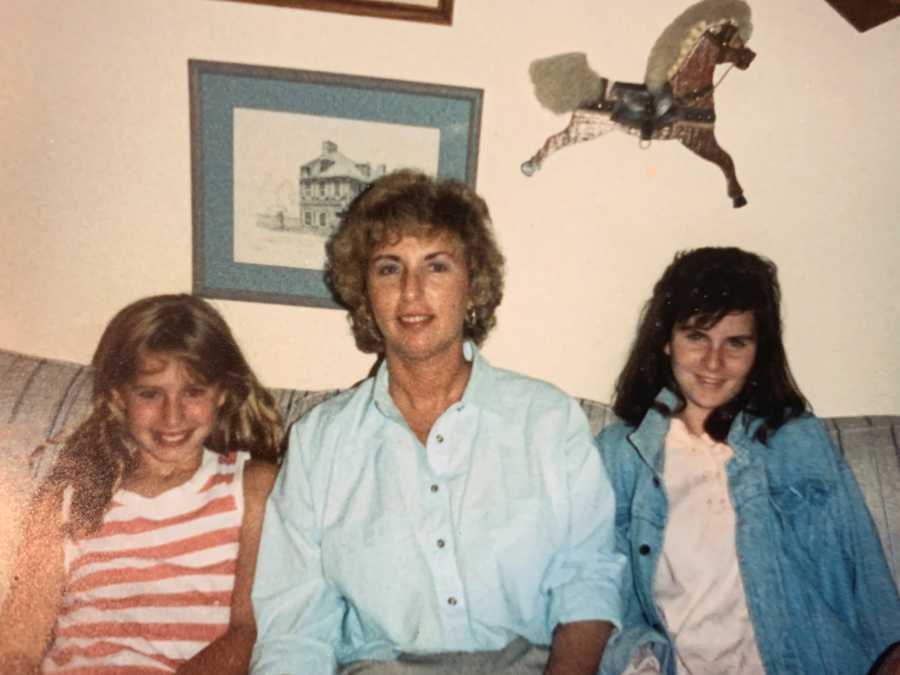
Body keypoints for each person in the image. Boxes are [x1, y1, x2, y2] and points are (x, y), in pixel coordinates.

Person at [250, 169, 625, 675]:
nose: (411, 292)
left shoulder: (548, 421)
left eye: (437, 267)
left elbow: (589, 579)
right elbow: (295, 630)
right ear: (365, 294)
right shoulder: (320, 443)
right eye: (388, 269)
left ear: (473, 285)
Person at [596, 247, 900, 675]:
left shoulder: (797, 442)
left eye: (735, 342)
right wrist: (636, 658)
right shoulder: (620, 455)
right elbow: (599, 597)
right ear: (666, 340)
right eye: (697, 337)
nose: (714, 363)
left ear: (760, 351)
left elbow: (863, 573)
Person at [0, 294, 285, 674]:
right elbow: (17, 645)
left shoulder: (252, 490)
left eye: (193, 392)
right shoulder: (68, 498)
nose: (173, 415)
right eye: (150, 393)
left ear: (222, 394)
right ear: (119, 396)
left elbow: (247, 632)